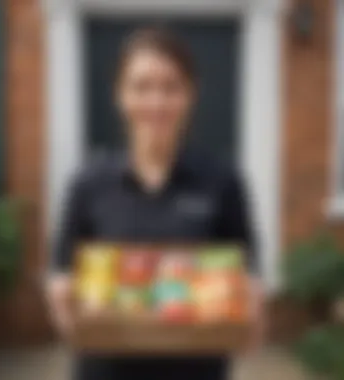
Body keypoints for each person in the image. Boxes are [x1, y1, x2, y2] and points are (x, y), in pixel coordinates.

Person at [46, 27, 263, 380]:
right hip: (106, 369)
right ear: (120, 95)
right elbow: (61, 269)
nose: (157, 102)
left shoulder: (223, 182)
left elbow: (246, 269)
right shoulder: (89, 183)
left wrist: (250, 308)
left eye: (171, 87)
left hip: (197, 369)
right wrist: (62, 298)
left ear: (190, 95)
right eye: (142, 86)